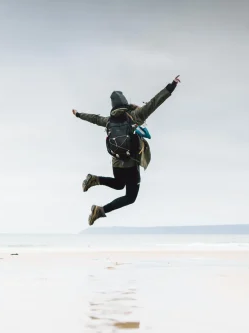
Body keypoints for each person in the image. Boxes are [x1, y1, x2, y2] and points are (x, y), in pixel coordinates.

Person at [72, 75, 181, 225]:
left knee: (118, 184)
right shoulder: (136, 116)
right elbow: (155, 102)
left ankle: (95, 180)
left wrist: (78, 114)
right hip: (131, 163)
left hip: (116, 163)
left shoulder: (108, 121)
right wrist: (171, 86)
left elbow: (95, 118)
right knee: (130, 197)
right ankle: (100, 210)